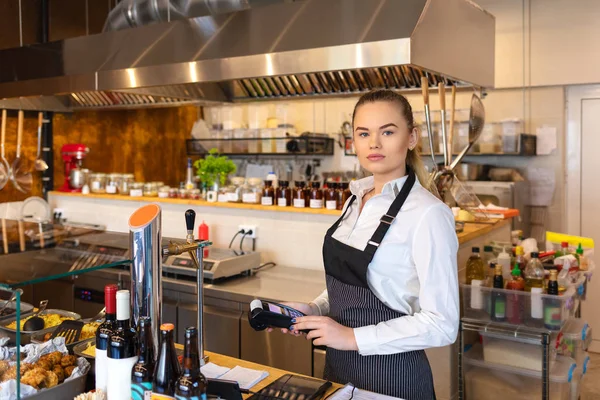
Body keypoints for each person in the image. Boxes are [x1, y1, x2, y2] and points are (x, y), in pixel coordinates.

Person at [277, 90, 459, 399]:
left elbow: (442, 324)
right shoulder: (355, 200)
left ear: (411, 137)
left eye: (387, 131)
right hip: (338, 372)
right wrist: (314, 308)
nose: (374, 143)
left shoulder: (429, 214)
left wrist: (351, 337)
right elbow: (351, 280)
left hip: (395, 380)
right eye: (364, 133)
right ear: (354, 141)